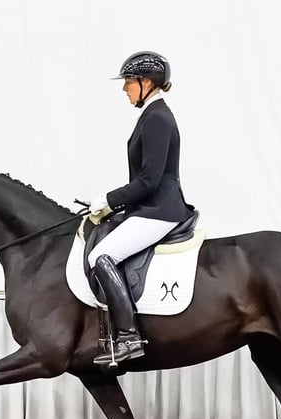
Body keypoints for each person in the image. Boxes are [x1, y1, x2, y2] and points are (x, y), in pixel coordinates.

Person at [88, 51, 195, 365]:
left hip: (161, 209)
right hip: (150, 206)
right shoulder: (151, 115)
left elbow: (149, 180)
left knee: (100, 256)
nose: (125, 89)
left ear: (146, 82)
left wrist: (109, 199)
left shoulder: (158, 118)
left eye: (128, 83)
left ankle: (128, 337)